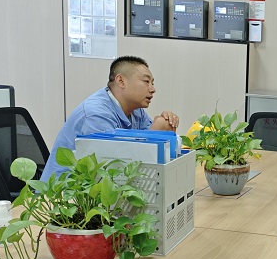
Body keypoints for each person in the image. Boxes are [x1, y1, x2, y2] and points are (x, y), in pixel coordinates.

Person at [41, 55, 179, 181]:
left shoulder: (136, 111)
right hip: (61, 196)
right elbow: (112, 174)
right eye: (146, 81)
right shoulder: (96, 116)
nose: (152, 89)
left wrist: (164, 126)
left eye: (152, 83)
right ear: (121, 81)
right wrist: (156, 132)